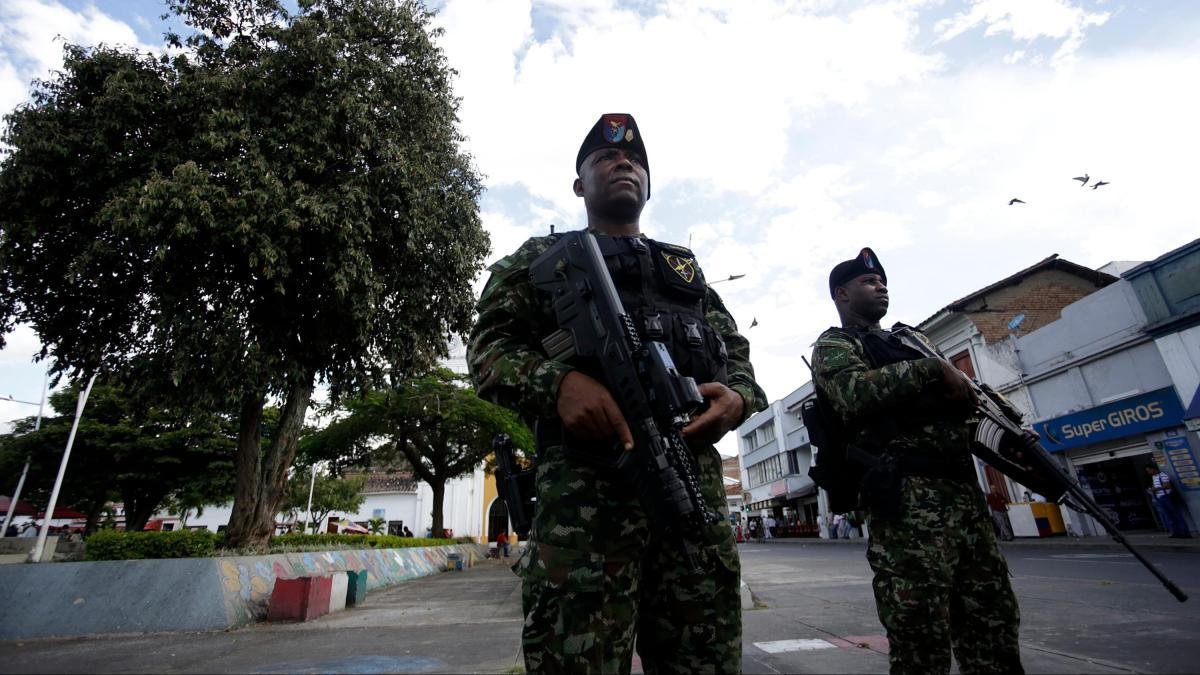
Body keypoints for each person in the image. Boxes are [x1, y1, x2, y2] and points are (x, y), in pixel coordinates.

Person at [468, 112, 766, 674]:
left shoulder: (686, 273)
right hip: (586, 506)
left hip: (691, 504)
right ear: (579, 185)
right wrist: (559, 383)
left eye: (634, 161)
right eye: (605, 158)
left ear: (649, 187)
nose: (623, 163)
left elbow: (737, 357)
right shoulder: (538, 260)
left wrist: (738, 399)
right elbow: (487, 350)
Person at [811, 247, 1023, 674]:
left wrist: (1009, 429)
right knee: (919, 633)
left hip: (964, 496)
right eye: (869, 282)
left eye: (883, 281)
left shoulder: (912, 341)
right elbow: (853, 393)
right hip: (907, 502)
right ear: (842, 294)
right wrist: (931, 371)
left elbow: (965, 395)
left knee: (993, 623)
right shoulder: (836, 345)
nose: (881, 287)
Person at [1146, 464, 1192, 538]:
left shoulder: (1162, 475)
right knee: (1169, 516)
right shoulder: (1154, 477)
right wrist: (1152, 490)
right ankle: (1176, 532)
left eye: (1149, 470)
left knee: (1176, 514)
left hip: (1167, 497)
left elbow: (1168, 486)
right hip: (1160, 498)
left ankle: (1185, 532)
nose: (1148, 472)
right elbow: (1156, 486)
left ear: (1153, 469)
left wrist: (1156, 489)